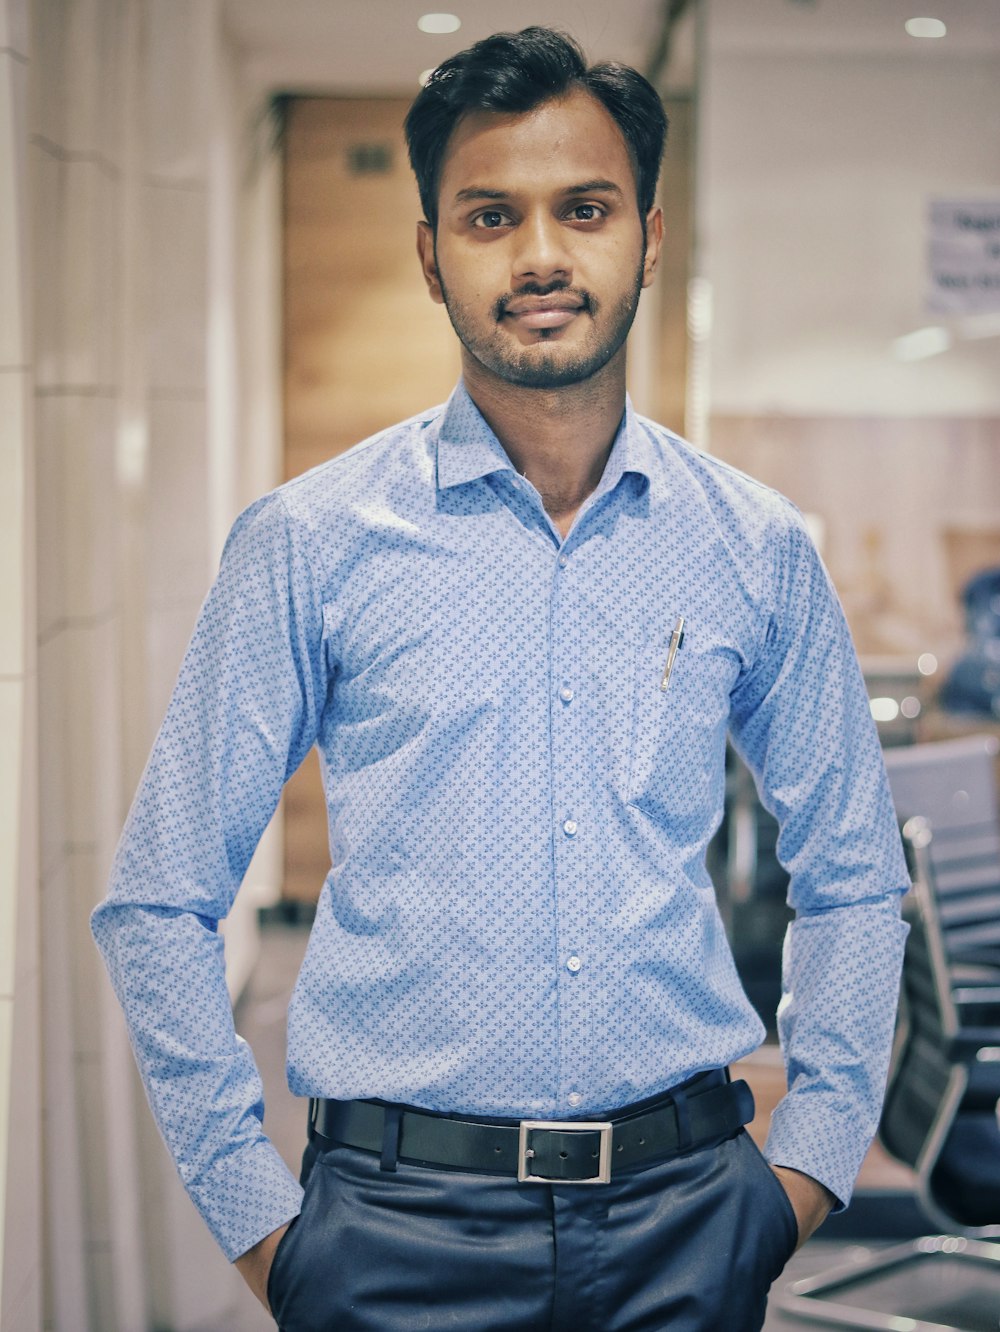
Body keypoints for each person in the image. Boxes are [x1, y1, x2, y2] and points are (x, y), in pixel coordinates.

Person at [92, 26, 910, 1332]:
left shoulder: (752, 546)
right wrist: (262, 1226)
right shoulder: (309, 545)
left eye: (582, 209)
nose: (540, 255)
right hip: (396, 1229)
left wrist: (804, 1169)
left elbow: (858, 875)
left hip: (689, 1219)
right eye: (490, 215)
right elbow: (157, 901)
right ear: (431, 253)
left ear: (646, 235)